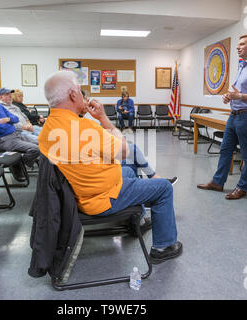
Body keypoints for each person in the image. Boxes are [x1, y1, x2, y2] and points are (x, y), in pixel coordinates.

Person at [38, 71, 182, 264]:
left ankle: (136, 220)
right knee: (163, 188)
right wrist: (104, 118)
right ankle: (164, 246)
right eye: (81, 92)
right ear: (73, 95)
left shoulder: (48, 127)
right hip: (101, 199)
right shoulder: (84, 127)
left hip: (83, 191)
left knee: (130, 170)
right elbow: (124, 150)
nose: (83, 96)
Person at [197, 34, 247, 200]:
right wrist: (229, 96)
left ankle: (242, 187)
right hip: (234, 115)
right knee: (225, 149)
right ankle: (218, 182)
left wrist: (241, 96)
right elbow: (237, 91)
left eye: (242, 44)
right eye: (238, 44)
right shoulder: (242, 67)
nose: (238, 47)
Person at [80, 89, 177, 184]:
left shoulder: (83, 122)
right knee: (131, 152)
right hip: (99, 165)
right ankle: (152, 180)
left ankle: (144, 183)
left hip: (100, 157)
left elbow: (132, 109)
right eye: (86, 98)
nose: (89, 100)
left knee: (131, 118)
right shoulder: (85, 124)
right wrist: (106, 116)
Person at [0, 83, 40, 169]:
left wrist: (7, 120)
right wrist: (11, 124)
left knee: (41, 143)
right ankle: (19, 166)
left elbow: (15, 119)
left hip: (15, 135)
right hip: (3, 140)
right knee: (35, 149)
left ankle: (18, 162)